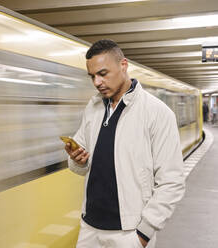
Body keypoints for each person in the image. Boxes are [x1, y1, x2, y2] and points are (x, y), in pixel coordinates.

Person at [64, 39, 185, 248]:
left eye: (103, 74)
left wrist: (143, 234)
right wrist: (78, 160)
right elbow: (79, 165)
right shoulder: (93, 108)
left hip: (129, 232)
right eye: (92, 76)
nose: (97, 82)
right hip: (90, 227)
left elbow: (172, 180)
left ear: (124, 65)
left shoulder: (156, 113)